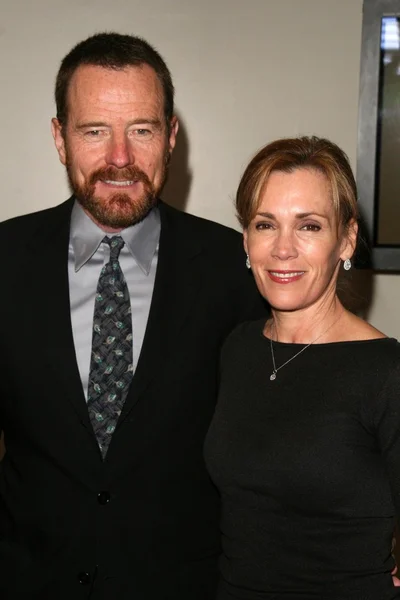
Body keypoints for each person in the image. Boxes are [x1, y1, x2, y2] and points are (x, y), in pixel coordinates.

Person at [0, 33, 266, 599]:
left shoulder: (239, 270)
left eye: (141, 130)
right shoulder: (2, 260)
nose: (119, 158)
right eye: (94, 130)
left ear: (171, 137)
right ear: (59, 138)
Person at [204, 136, 400, 599]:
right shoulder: (238, 348)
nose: (283, 249)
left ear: (346, 239)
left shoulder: (386, 372)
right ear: (246, 240)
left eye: (309, 226)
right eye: (265, 224)